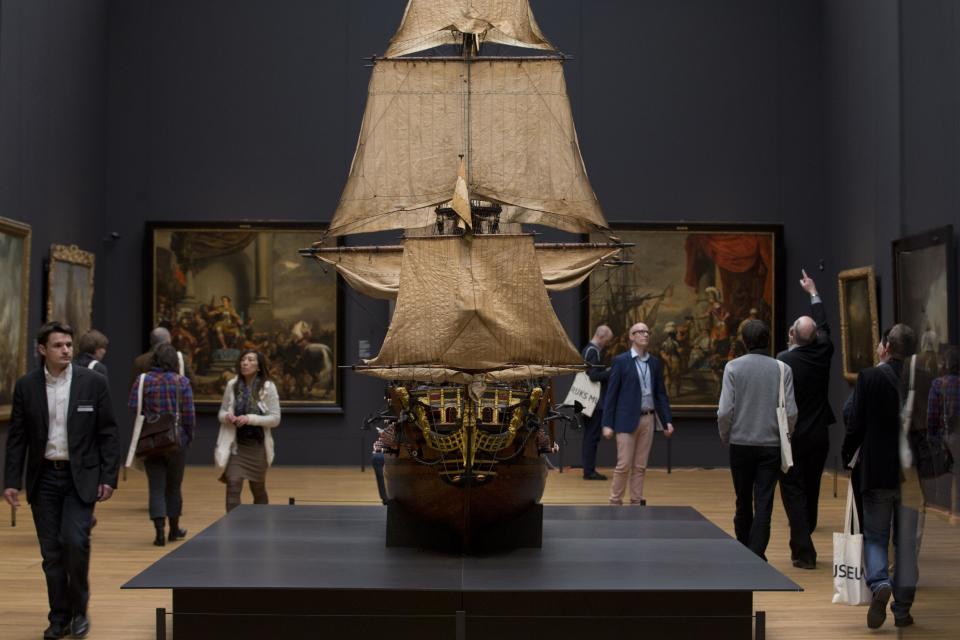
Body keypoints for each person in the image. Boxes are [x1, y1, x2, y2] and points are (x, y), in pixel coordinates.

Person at [3, 321, 121, 639]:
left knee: (75, 543)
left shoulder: (93, 383)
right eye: (58, 345)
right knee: (52, 553)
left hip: (79, 478)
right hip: (43, 480)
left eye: (69, 344)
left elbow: (108, 432)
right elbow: (17, 439)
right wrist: (11, 481)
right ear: (43, 350)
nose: (66, 350)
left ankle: (80, 611)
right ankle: (59, 616)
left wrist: (109, 476)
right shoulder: (27, 386)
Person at [842, 324, 919, 629]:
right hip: (912, 475)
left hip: (877, 469)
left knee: (875, 537)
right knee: (906, 544)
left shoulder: (871, 377)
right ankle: (902, 610)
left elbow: (855, 421)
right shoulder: (922, 381)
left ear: (887, 346)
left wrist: (847, 456)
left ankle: (879, 584)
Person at [717, 319, 797, 560]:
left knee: (742, 499)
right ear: (768, 339)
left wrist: (726, 436)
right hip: (770, 445)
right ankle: (757, 553)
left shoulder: (733, 368)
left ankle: (743, 548)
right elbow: (791, 412)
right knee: (764, 501)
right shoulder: (783, 369)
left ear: (744, 341)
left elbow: (724, 412)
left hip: (740, 443)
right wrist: (785, 436)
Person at [775, 270, 834, 569]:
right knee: (811, 488)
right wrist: (814, 292)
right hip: (820, 434)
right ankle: (805, 533)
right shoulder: (824, 352)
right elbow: (823, 327)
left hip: (793, 435)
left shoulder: (784, 360)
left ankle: (803, 550)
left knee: (793, 490)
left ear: (792, 336)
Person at [127, 343, 195, 546]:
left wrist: (152, 417)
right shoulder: (181, 382)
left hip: (152, 441)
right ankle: (174, 530)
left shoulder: (142, 381)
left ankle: (159, 533)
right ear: (174, 361)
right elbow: (189, 415)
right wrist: (187, 438)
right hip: (176, 441)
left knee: (156, 487)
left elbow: (133, 407)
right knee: (173, 487)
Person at [601, 322, 675, 505]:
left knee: (640, 466)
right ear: (631, 337)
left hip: (648, 419)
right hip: (625, 419)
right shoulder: (621, 361)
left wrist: (667, 421)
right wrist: (607, 423)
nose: (645, 334)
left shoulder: (655, 363)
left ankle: (636, 500)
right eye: (640, 332)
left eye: (647, 331)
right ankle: (615, 500)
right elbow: (612, 395)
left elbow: (661, 395)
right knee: (623, 465)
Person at [216, 349, 281, 512]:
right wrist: (227, 417)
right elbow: (221, 412)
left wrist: (250, 418)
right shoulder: (232, 385)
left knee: (257, 488)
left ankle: (261, 521)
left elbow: (275, 419)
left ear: (259, 366)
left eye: (251, 360)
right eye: (243, 359)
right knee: (233, 483)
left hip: (258, 447)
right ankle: (233, 526)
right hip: (237, 446)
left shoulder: (268, 387)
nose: (245, 363)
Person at [927, 348, 959, 511]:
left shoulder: (938, 384)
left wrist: (932, 437)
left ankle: (944, 511)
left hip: (945, 439)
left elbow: (932, 416)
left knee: (944, 480)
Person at [581, 324, 613, 481]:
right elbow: (593, 376)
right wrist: (609, 372)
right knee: (592, 437)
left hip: (587, 401)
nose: (607, 343)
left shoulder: (587, 349)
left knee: (589, 436)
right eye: (607, 340)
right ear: (601, 337)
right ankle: (589, 471)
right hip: (594, 402)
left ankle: (589, 469)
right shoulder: (593, 352)